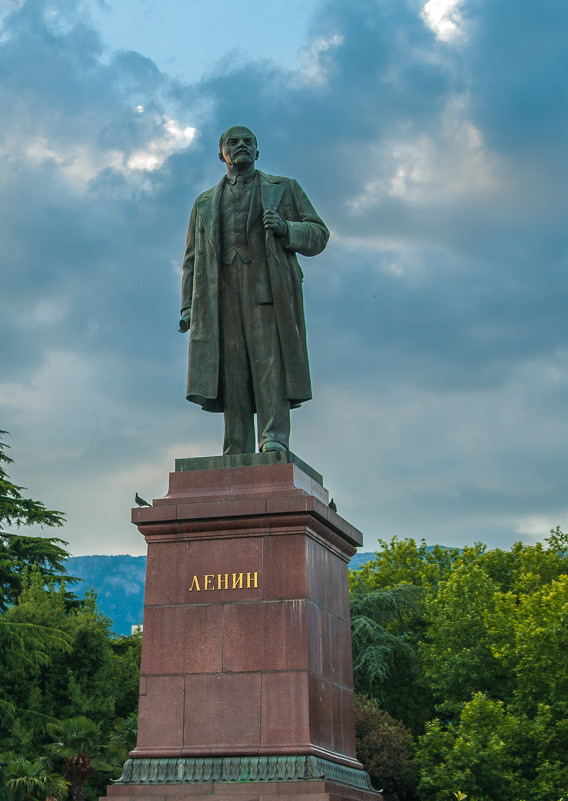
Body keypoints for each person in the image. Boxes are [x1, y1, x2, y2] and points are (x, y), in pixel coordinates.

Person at [180, 125, 329, 455]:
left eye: (249, 141)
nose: (241, 146)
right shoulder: (204, 202)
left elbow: (319, 234)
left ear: (258, 152)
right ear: (222, 154)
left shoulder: (284, 189)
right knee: (233, 371)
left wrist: (286, 228)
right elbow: (191, 258)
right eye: (233, 142)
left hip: (267, 293)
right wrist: (187, 306)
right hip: (221, 297)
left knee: (268, 365)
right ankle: (236, 445)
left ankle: (273, 436)